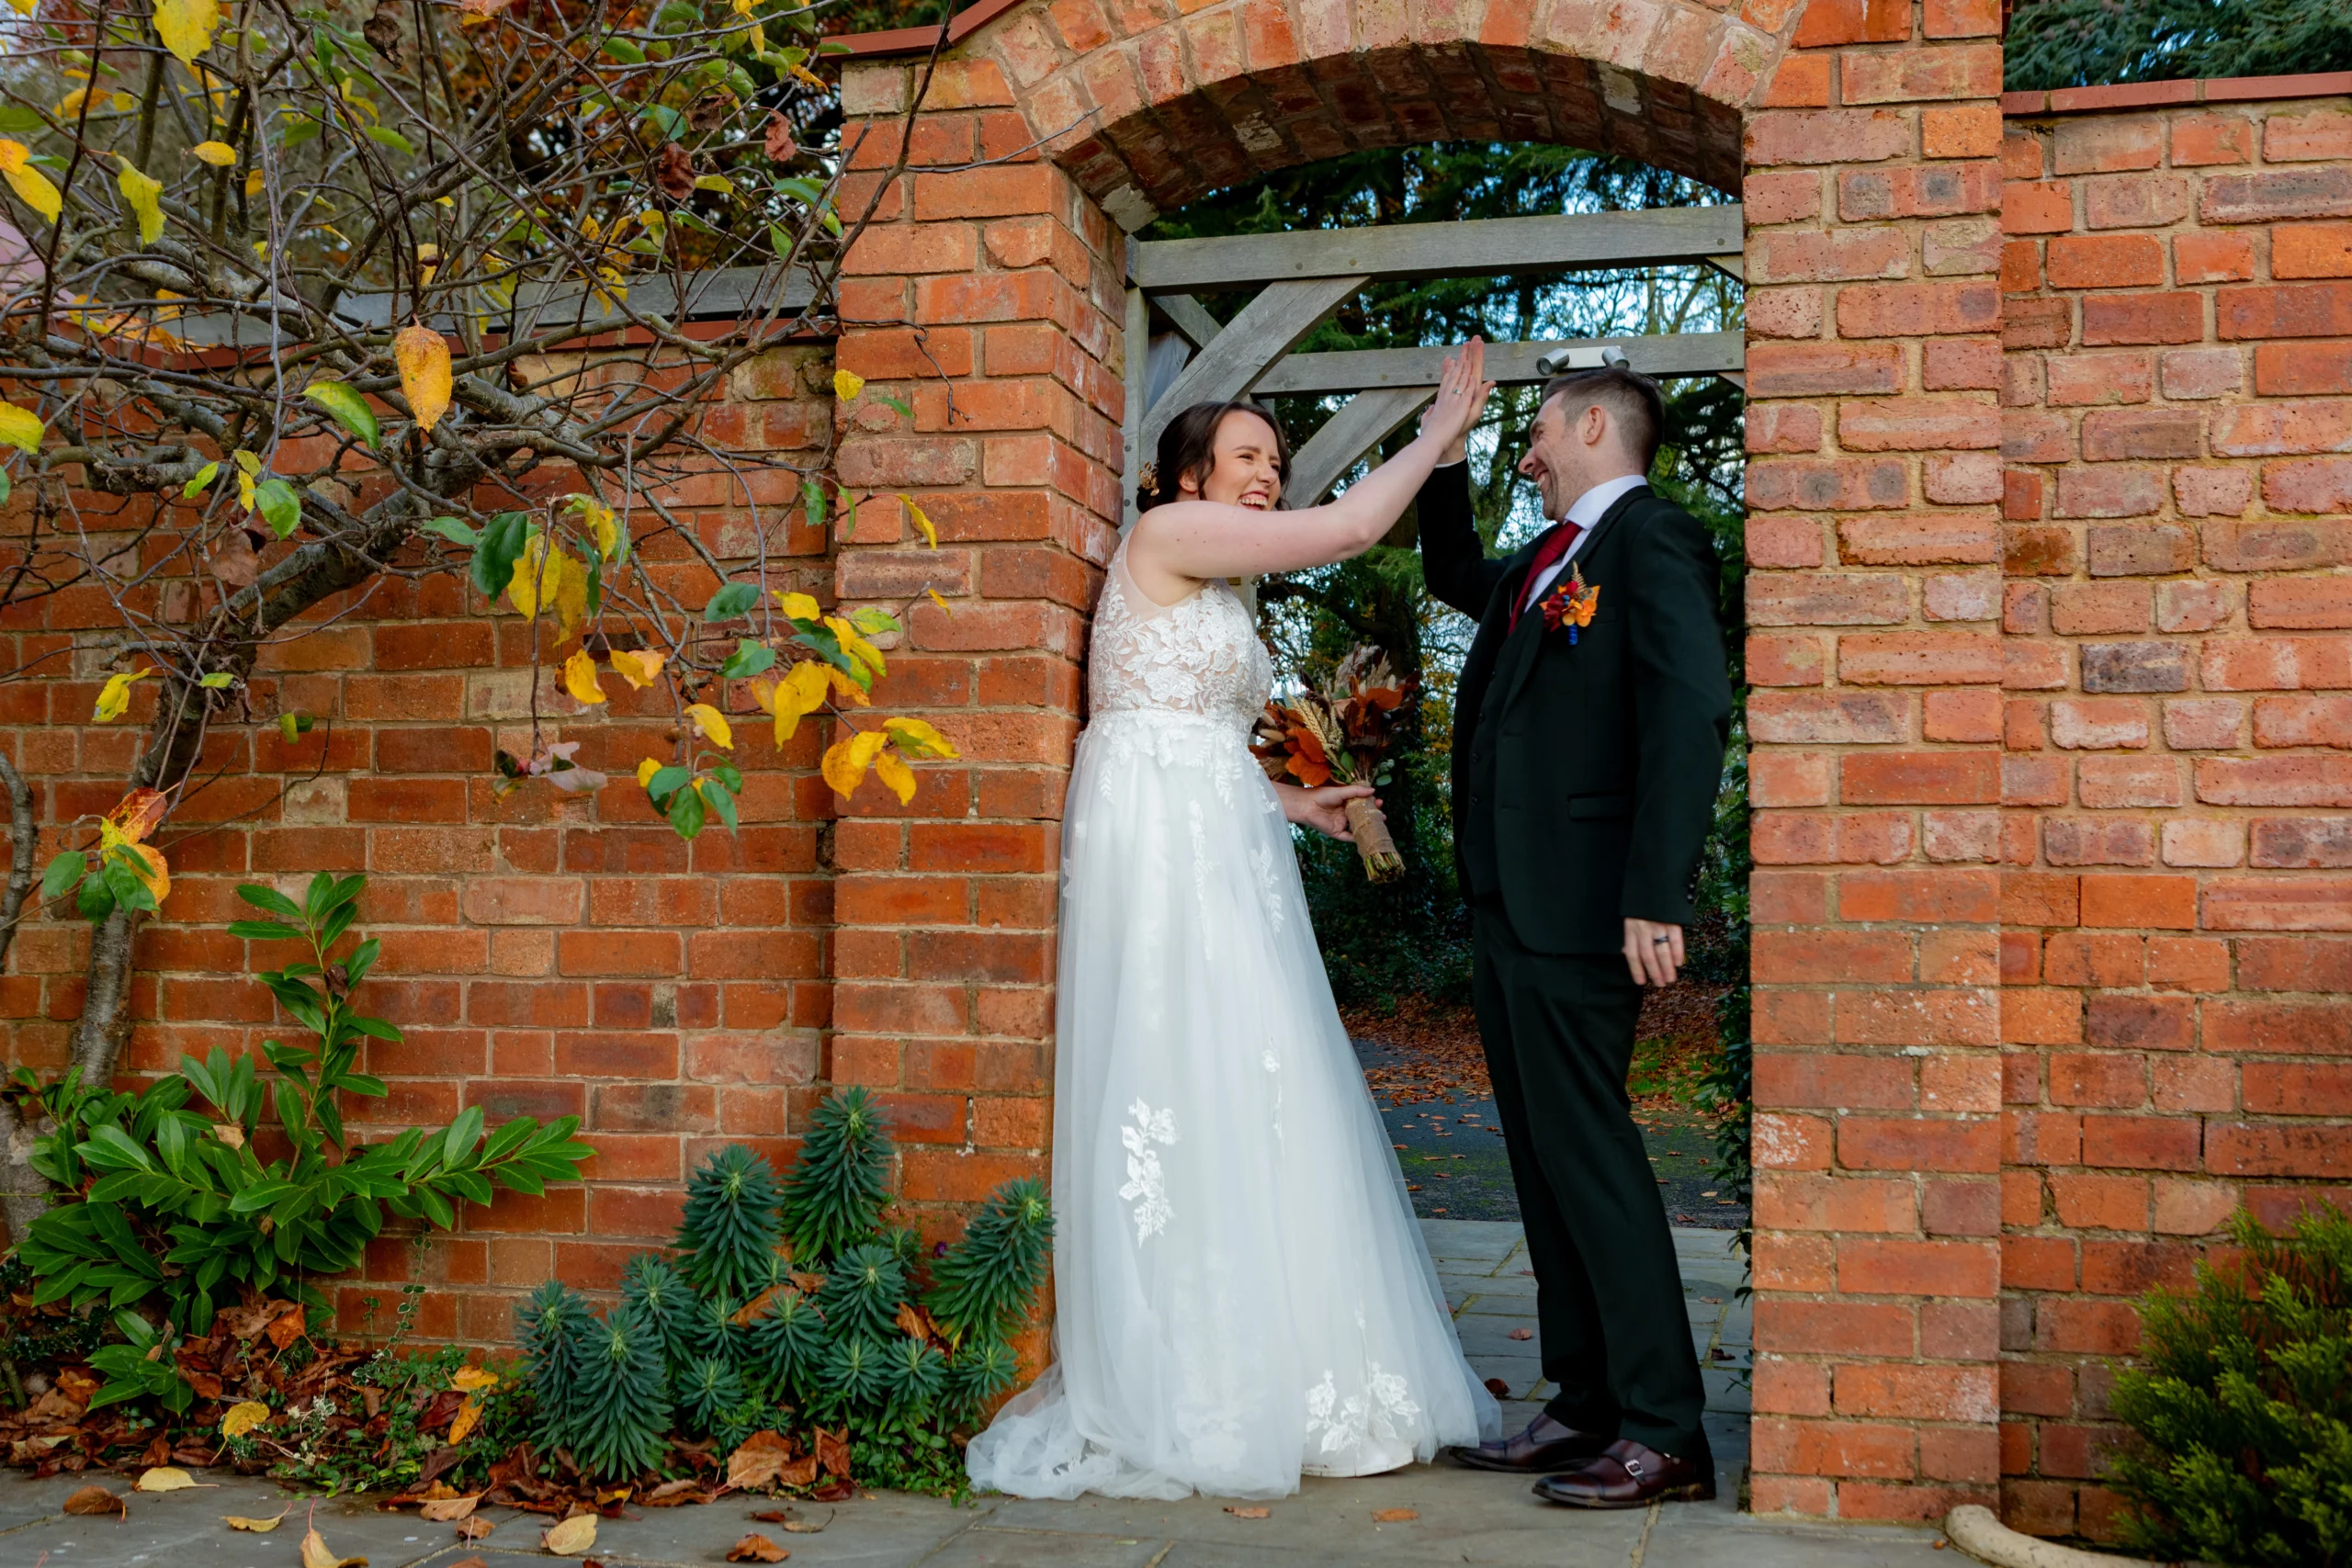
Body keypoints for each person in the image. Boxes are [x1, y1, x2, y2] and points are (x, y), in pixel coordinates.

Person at [965, 347, 1505, 1501]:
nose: (1267, 475)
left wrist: (1291, 801)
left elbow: (1190, 728)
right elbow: (1354, 531)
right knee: (1184, 1068)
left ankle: (1286, 1356)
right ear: (1185, 473)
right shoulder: (1164, 539)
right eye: (1250, 457)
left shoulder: (1211, 582)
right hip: (1157, 846)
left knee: (1257, 1075)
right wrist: (1438, 428)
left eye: (1275, 461)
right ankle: (1192, 1374)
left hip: (1219, 830)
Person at [1416, 366, 1733, 1509]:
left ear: (1592, 424)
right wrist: (1443, 456)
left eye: (1537, 430)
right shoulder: (1546, 564)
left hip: (1591, 905)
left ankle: (1665, 1429)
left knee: (1590, 1158)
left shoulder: (1650, 541)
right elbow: (1455, 570)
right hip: (1509, 904)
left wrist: (1656, 890)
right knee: (1544, 1163)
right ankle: (1586, 1402)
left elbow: (1690, 708)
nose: (1529, 450)